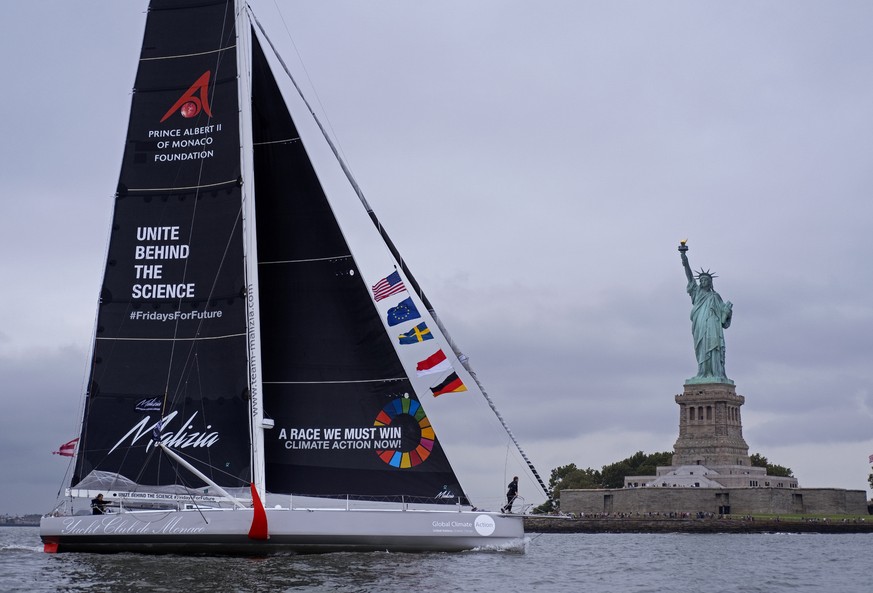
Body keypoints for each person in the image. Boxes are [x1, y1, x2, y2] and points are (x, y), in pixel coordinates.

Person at [680, 249, 732, 383]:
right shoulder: (696, 293)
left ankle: (715, 372)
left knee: (714, 347)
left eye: (706, 280)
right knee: (701, 347)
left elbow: (723, 318)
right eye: (701, 280)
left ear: (710, 282)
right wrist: (685, 262)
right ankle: (702, 372)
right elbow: (690, 277)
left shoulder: (715, 296)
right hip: (700, 324)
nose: (703, 282)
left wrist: (727, 311)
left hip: (713, 326)